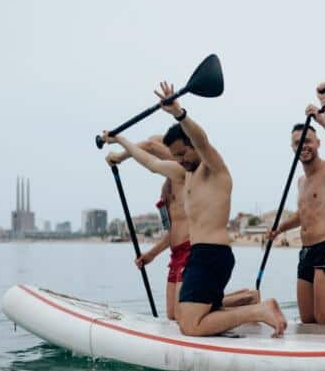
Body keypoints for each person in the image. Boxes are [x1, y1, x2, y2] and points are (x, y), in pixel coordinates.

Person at [101, 82, 287, 338]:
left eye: (183, 153)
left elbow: (202, 139)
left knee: (189, 325)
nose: (180, 160)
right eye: (175, 156)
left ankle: (261, 311)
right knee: (185, 316)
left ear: (193, 147)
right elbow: (152, 163)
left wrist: (179, 112)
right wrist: (121, 140)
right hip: (199, 256)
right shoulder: (183, 174)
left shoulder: (214, 168)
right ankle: (251, 304)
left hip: (213, 255)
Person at [267, 84, 325, 324]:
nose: (303, 146)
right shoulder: (301, 181)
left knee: (324, 318)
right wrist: (280, 228)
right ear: (293, 148)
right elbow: (304, 214)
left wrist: (322, 119)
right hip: (305, 251)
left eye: (308, 141)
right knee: (307, 319)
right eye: (298, 143)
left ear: (318, 143)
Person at [106, 125, 194, 321]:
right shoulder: (165, 192)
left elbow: (150, 146)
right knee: (172, 316)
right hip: (176, 254)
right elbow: (169, 232)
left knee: (184, 314)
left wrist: (119, 156)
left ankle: (245, 299)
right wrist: (150, 255)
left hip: (191, 251)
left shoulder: (185, 174)